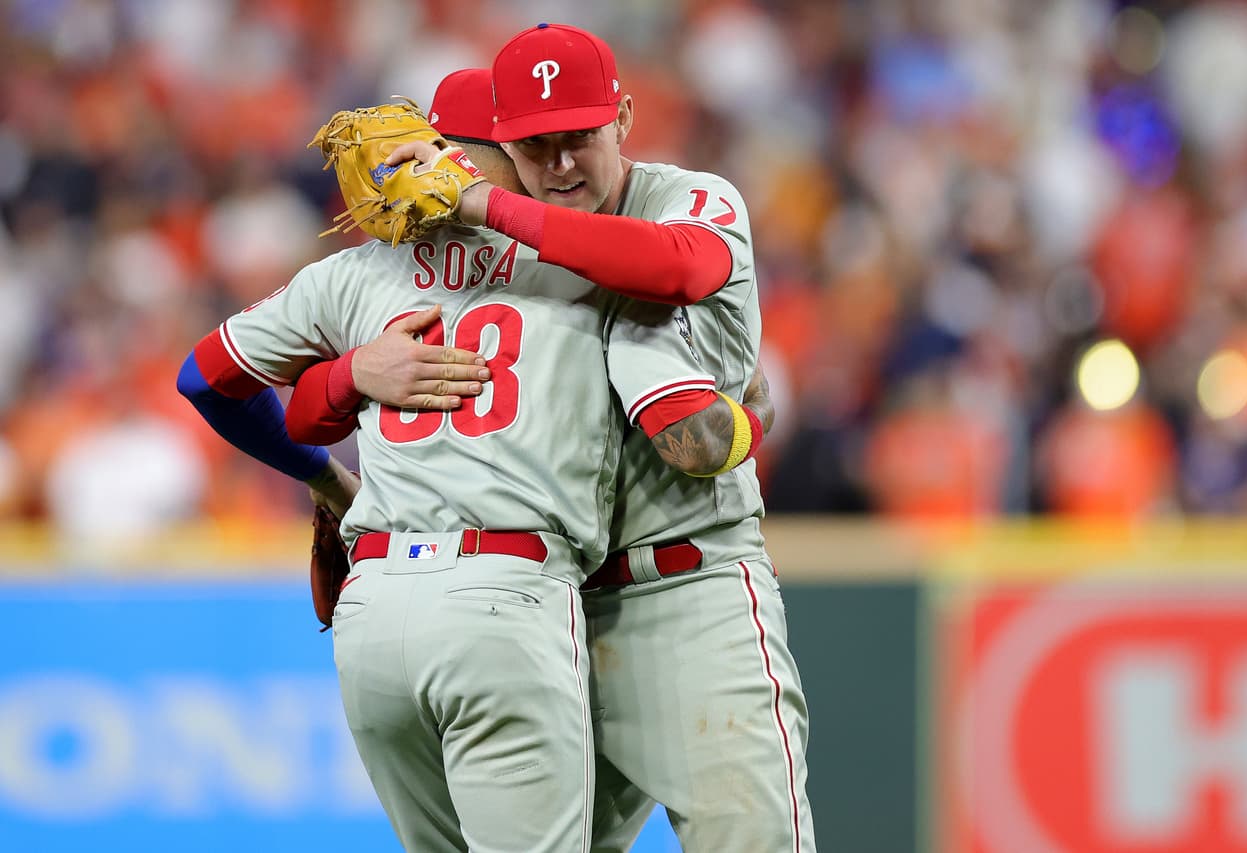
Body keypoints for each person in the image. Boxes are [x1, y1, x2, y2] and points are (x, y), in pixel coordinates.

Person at [176, 67, 763, 853]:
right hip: (507, 595)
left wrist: (339, 411)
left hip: (374, 610)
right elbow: (678, 291)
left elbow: (210, 381)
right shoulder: (584, 261)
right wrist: (752, 414)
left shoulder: (357, 273)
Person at [316, 25, 815, 853]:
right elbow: (255, 382)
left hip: (685, 598)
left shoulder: (689, 198)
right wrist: (343, 398)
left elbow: (680, 278)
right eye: (533, 146)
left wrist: (484, 201)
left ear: (623, 117)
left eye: (578, 136)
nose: (560, 164)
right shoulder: (479, 255)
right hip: (542, 605)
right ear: (499, 144)